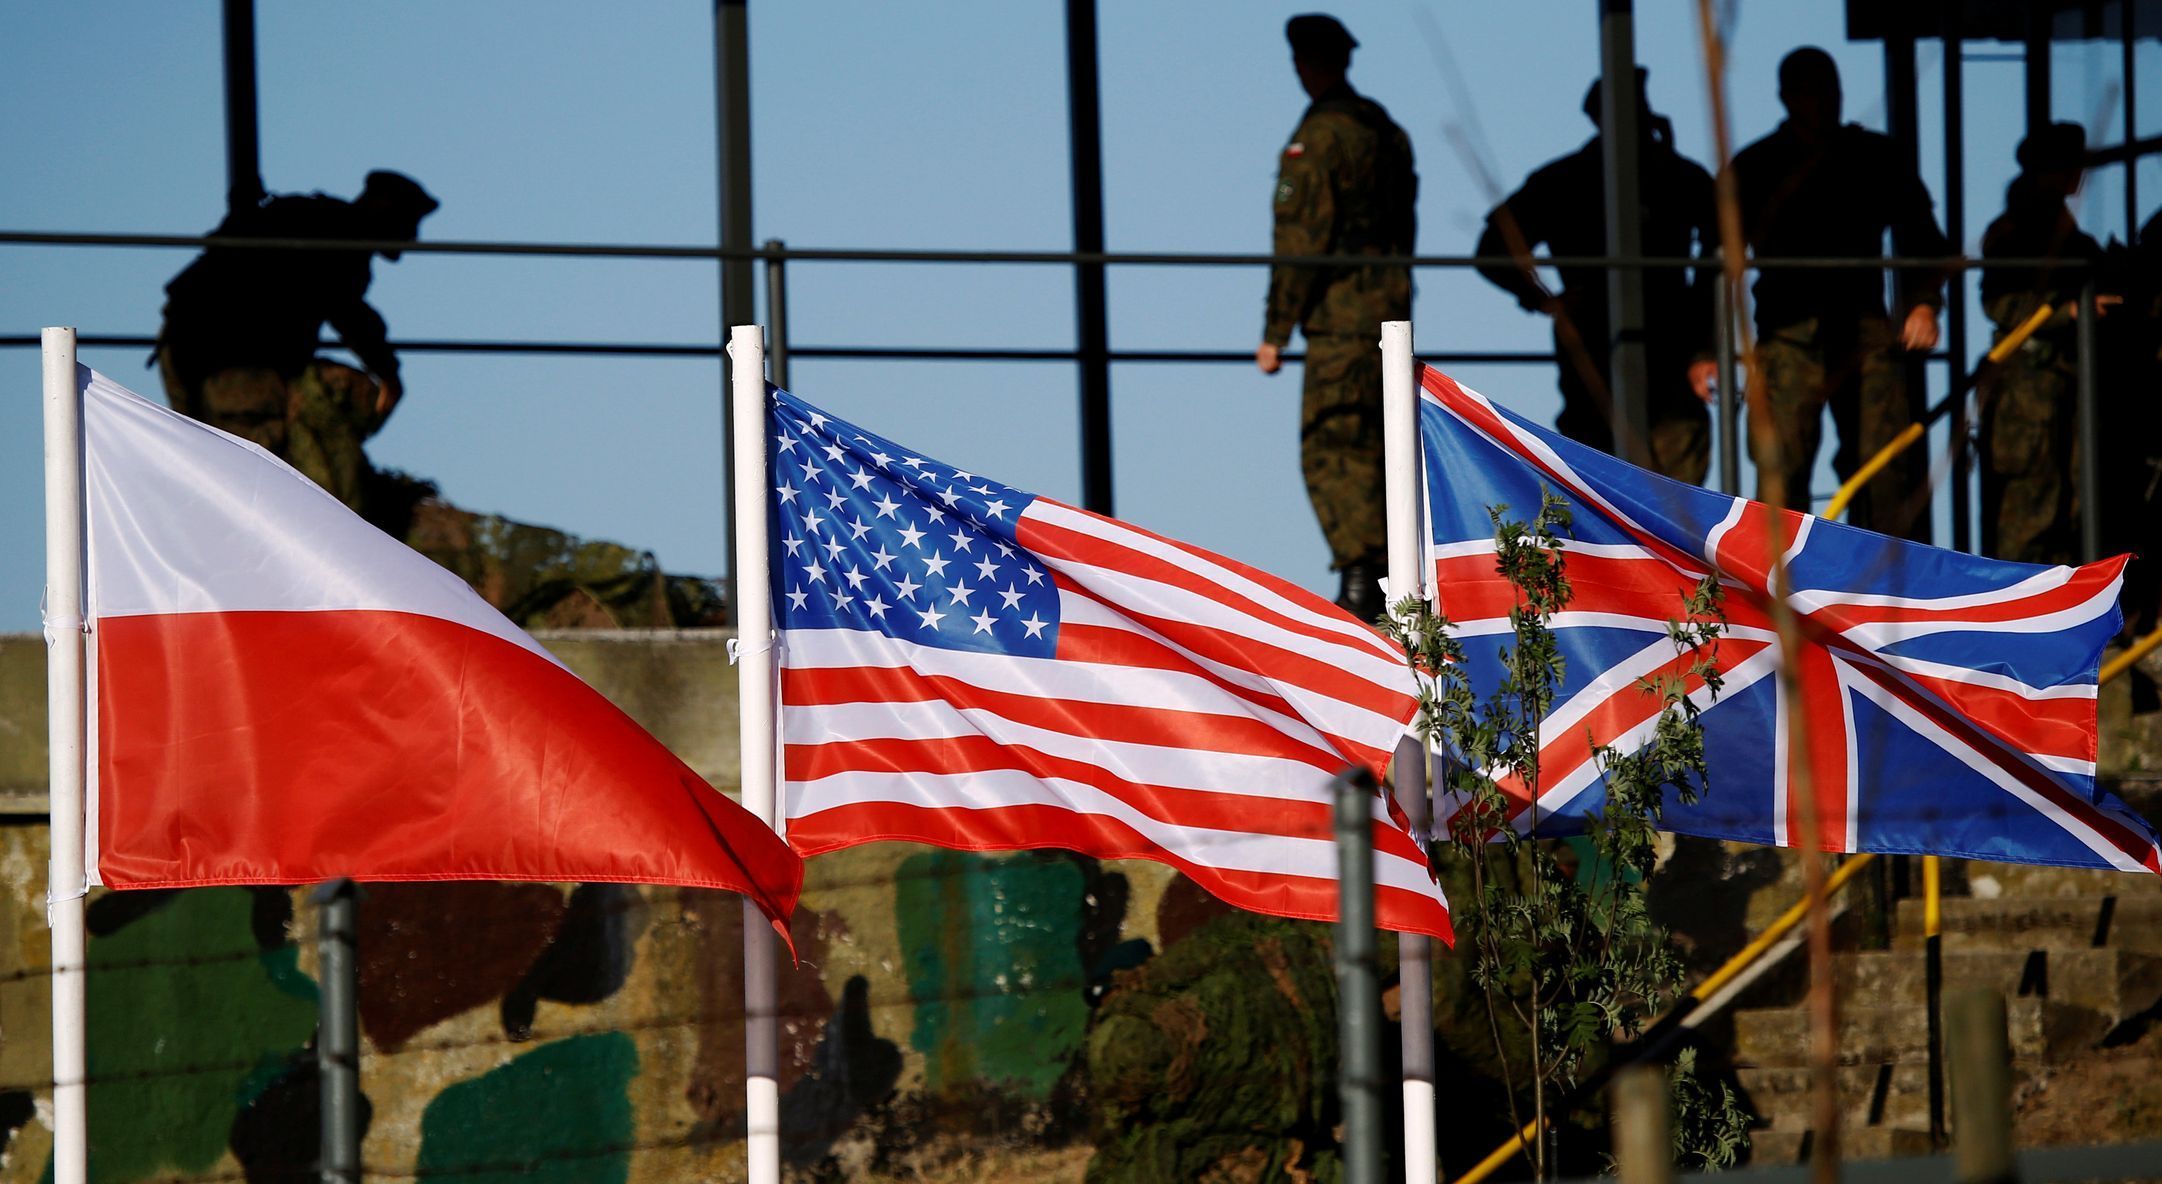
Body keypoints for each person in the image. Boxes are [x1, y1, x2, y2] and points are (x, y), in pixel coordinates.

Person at [1731, 47, 1950, 537]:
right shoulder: (1756, 166)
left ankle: (1883, 598)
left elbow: (1923, 239)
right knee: (1780, 475)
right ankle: (1778, 594)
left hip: (1866, 337)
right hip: (1788, 340)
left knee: (1881, 469)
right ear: (1787, 97)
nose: (1824, 101)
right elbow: (1717, 265)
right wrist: (1705, 353)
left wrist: (1923, 304)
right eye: (1811, 91)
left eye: (1830, 89)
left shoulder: (1874, 157)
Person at [1475, 70, 1718, 482]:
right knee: (1602, 482)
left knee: (1670, 492)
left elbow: (1718, 254)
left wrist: (1702, 348)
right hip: (1595, 348)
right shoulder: (1565, 180)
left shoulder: (1677, 175)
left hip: (1668, 344)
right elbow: (1492, 249)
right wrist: (1543, 299)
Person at [1255, 13, 1417, 619]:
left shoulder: (1320, 137)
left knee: (1329, 443)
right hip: (1389, 310)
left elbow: (1300, 240)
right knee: (1384, 441)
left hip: (1340, 318)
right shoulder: (1385, 130)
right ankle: (1387, 573)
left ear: (1305, 64)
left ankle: (1363, 578)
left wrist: (1274, 333)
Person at [156, 170, 440, 511]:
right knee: (250, 475)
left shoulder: (314, 221)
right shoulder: (338, 235)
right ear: (385, 208)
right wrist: (388, 374)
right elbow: (348, 312)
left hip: (189, 353)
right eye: (408, 221)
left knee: (219, 465)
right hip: (235, 363)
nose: (413, 236)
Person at [1977, 123, 2109, 567]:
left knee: (2072, 507)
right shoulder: (2016, 231)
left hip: (2064, 383)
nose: (2077, 175)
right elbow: (1998, 302)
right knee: (2030, 509)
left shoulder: (2067, 233)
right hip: (2028, 392)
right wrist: (2067, 313)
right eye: (2068, 165)